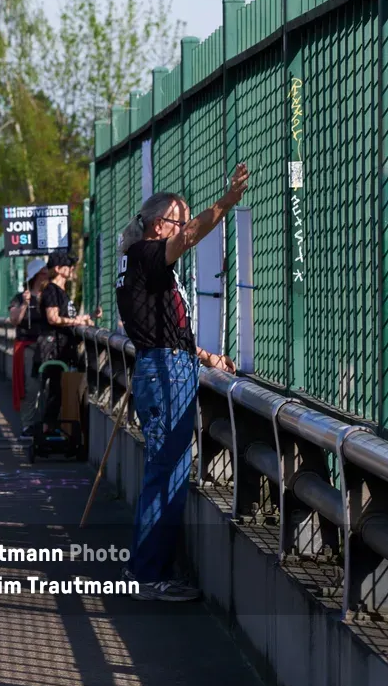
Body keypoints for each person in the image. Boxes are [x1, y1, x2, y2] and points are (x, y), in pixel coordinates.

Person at [116, 163, 248, 601]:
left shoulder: (141, 265)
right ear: (160, 225)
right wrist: (226, 203)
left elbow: (164, 325)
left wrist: (205, 355)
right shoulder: (146, 256)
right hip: (165, 371)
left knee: (167, 472)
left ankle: (148, 569)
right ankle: (149, 575)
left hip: (168, 365)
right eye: (178, 218)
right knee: (167, 474)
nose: (184, 227)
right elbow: (191, 235)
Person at [35, 250, 96, 438]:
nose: (71, 269)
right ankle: (47, 429)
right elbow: (53, 318)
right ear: (58, 269)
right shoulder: (52, 291)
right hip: (53, 349)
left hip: (62, 347)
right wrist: (76, 322)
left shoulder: (61, 292)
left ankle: (53, 428)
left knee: (59, 390)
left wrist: (84, 318)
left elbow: (65, 316)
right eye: (68, 266)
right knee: (55, 390)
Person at [8, 258, 49, 438]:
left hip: (47, 346)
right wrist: (25, 304)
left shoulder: (50, 296)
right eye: (43, 272)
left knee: (48, 386)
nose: (46, 275)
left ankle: (46, 423)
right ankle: (28, 424)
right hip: (28, 346)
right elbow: (14, 320)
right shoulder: (20, 297)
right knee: (30, 387)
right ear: (36, 276)